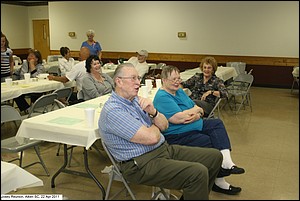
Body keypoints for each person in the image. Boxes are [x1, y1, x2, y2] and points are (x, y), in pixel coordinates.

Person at [99, 63, 223, 200]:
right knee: (198, 173)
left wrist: (153, 112)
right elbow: (152, 137)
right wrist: (154, 124)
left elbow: (165, 126)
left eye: (138, 78)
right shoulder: (114, 110)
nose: (138, 83)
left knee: (214, 157)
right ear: (119, 81)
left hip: (162, 149)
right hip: (140, 164)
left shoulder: (135, 101)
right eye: (133, 78)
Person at [153, 65, 245, 195]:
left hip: (193, 125)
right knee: (211, 142)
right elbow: (180, 118)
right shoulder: (162, 97)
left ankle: (226, 164)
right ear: (163, 80)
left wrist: (196, 113)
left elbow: (196, 107)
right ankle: (220, 176)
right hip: (177, 134)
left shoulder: (178, 91)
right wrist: (193, 112)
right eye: (173, 79)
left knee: (217, 124)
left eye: (178, 78)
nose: (177, 81)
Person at [13, 49, 44, 113]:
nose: (29, 57)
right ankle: (27, 108)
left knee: (37, 92)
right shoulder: (25, 64)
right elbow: (20, 75)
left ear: (37, 59)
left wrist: (32, 65)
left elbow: (37, 77)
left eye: (32, 56)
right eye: (29, 56)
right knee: (15, 94)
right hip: (23, 86)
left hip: (35, 87)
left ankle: (36, 107)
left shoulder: (40, 67)